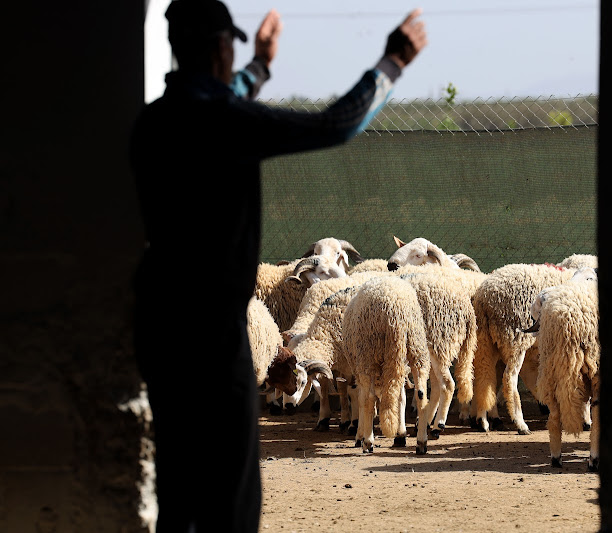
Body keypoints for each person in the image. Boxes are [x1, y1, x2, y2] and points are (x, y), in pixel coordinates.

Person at [128, 1, 427, 532]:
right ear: (223, 48)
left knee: (177, 477)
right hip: (213, 328)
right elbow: (334, 123)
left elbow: (214, 102)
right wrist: (392, 63)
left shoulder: (152, 123)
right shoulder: (228, 122)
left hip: (158, 320)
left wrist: (259, 70)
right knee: (232, 492)